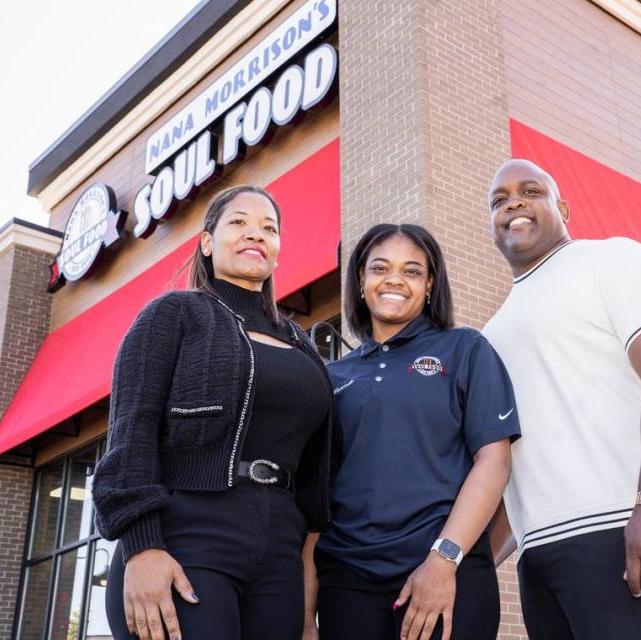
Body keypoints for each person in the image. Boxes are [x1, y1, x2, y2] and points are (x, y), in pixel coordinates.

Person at [92, 185, 335, 640]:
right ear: (207, 243)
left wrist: (306, 601)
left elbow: (315, 475)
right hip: (187, 534)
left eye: (269, 228)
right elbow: (130, 434)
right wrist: (143, 549)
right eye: (239, 222)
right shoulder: (174, 314)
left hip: (280, 549)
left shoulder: (302, 343)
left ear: (278, 251)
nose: (255, 234)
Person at [482, 160, 641, 640]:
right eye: (499, 200)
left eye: (529, 191)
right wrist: (468, 562)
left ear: (562, 207)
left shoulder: (613, 260)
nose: (513, 203)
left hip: (623, 530)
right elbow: (505, 463)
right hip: (539, 553)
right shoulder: (492, 332)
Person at [302, 224, 521, 640]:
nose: (395, 280)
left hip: (443, 571)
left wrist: (443, 560)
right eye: (380, 268)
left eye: (412, 271)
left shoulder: (465, 350)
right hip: (348, 584)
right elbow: (317, 501)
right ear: (361, 281)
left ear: (429, 285)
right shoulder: (332, 377)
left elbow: (494, 462)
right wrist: (304, 614)